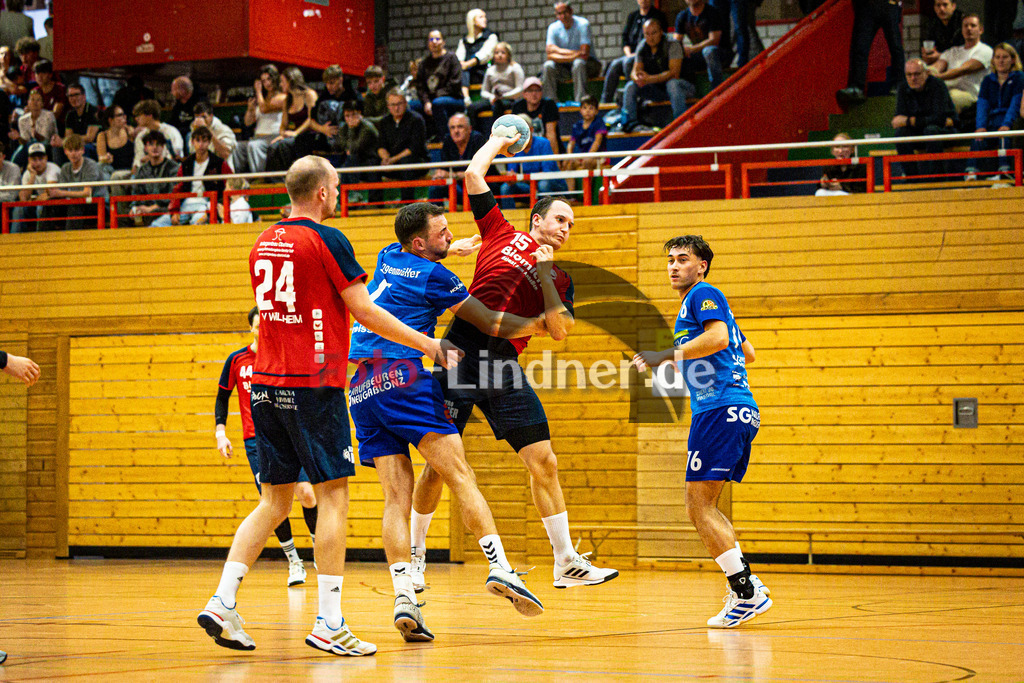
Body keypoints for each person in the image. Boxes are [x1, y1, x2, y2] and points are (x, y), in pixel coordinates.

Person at [196, 154, 462, 655]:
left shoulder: (262, 240)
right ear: (321, 192)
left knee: (273, 502)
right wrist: (429, 346)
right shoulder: (326, 239)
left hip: (266, 385)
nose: (338, 194)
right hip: (313, 386)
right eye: (336, 186)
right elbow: (366, 310)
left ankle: (223, 599)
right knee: (334, 497)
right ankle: (329, 621)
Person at [410, 130, 619, 593]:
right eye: (560, 219)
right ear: (537, 218)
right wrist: (496, 141)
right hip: (460, 351)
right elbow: (472, 174)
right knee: (438, 466)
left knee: (544, 460)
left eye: (571, 225)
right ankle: (415, 560)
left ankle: (565, 562)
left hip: (503, 364)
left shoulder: (560, 276)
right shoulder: (500, 231)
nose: (566, 228)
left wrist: (544, 277)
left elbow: (560, 330)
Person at [350, 202, 550, 639]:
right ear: (420, 243)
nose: (450, 235)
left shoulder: (388, 254)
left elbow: (418, 260)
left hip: (362, 384)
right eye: (442, 232)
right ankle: (500, 567)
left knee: (394, 498)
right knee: (460, 475)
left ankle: (404, 596)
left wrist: (451, 248)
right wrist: (543, 323)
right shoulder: (437, 278)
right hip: (405, 374)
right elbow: (492, 323)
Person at [632, 235, 771, 629]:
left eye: (683, 260)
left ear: (702, 266)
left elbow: (720, 339)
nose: (674, 266)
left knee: (698, 507)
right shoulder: (704, 304)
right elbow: (748, 352)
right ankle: (746, 585)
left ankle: (746, 592)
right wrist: (696, 365)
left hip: (720, 410)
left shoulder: (702, 294)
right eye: (670, 260)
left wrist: (668, 356)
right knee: (706, 505)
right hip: (737, 409)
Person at [215, 306, 319, 587]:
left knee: (307, 494)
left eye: (267, 325)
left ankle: (318, 551)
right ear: (252, 328)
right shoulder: (237, 360)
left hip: (288, 435)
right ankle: (294, 562)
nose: (263, 330)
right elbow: (223, 397)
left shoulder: (281, 356)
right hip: (255, 440)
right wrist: (221, 432)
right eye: (258, 325)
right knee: (272, 502)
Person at [621, 17, 693, 133]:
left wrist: (649, 79)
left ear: (661, 32)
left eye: (654, 33)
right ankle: (631, 124)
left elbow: (674, 73)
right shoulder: (642, 46)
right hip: (657, 89)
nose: (650, 37)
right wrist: (638, 78)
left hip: (683, 87)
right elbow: (634, 71)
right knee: (630, 86)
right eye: (647, 34)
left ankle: (681, 124)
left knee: (672, 84)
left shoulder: (672, 44)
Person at [966, 43, 1024, 179]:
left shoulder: (1019, 78)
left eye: (1005, 57)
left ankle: (1004, 172)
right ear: (993, 60)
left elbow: (1015, 104)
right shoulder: (987, 80)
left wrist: (1007, 124)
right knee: (978, 137)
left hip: (1010, 119)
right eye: (997, 57)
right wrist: (980, 126)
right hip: (992, 119)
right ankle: (972, 173)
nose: (1001, 60)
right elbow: (982, 105)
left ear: (1013, 60)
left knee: (1004, 134)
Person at [892, 58, 956, 180]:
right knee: (900, 134)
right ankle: (912, 178)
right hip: (920, 132)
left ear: (926, 73)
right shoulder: (903, 88)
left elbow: (939, 119)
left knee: (931, 130)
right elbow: (897, 120)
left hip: (943, 133)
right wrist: (920, 120)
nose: (913, 78)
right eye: (909, 75)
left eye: (917, 74)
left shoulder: (938, 85)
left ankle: (937, 178)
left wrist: (909, 121)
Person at [158, 125, 232, 226]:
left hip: (208, 203)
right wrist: (174, 211)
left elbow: (231, 184)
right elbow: (177, 188)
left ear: (209, 142)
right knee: (158, 224)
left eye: (204, 141)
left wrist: (220, 203)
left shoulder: (219, 163)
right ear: (192, 142)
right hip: (186, 203)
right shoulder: (186, 164)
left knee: (197, 222)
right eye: (198, 140)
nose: (201, 145)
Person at [836, 0, 905, 106]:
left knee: (895, 46)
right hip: (868, 5)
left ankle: (899, 85)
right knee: (860, 46)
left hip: (887, 4)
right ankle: (856, 87)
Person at [603, 0, 669, 105]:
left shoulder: (658, 16)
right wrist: (629, 54)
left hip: (647, 55)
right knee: (614, 65)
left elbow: (662, 39)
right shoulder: (632, 16)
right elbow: (625, 40)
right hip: (631, 54)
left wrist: (635, 55)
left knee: (628, 62)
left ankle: (636, 96)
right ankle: (605, 102)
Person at [497, 117, 568, 209]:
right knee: (505, 187)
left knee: (543, 184)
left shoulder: (544, 143)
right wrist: (511, 177)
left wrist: (521, 177)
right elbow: (513, 172)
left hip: (552, 184)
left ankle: (546, 215)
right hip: (528, 186)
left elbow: (547, 173)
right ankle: (509, 219)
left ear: (531, 129)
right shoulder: (514, 147)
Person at [931, 15, 994, 114]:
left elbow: (962, 70)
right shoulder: (953, 51)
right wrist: (925, 71)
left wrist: (937, 77)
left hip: (972, 94)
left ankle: (947, 126)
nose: (969, 28)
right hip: (948, 90)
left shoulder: (985, 50)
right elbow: (937, 66)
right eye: (966, 26)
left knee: (950, 97)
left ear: (981, 30)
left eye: (973, 26)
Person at [376, 88, 429, 205]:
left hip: (416, 161)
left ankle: (408, 205)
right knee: (372, 164)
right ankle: (376, 205)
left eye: (399, 104)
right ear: (388, 106)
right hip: (392, 163)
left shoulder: (416, 120)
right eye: (393, 105)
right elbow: (381, 145)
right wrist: (385, 158)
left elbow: (414, 148)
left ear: (405, 103)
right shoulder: (384, 122)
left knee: (407, 164)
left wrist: (392, 160)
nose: (396, 108)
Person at [543, 2, 601, 105]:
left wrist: (558, 52)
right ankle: (551, 103)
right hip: (565, 67)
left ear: (571, 12)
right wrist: (575, 54)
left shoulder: (583, 24)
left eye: (565, 12)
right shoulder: (553, 27)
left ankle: (581, 102)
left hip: (589, 65)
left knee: (578, 63)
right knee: (548, 65)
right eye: (559, 13)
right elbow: (549, 55)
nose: (563, 16)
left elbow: (584, 54)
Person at [411, 30, 464, 141]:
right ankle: (420, 141)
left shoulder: (451, 58)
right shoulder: (424, 62)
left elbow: (455, 84)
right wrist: (426, 102)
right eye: (431, 39)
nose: (434, 42)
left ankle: (445, 139)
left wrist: (432, 100)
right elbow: (420, 87)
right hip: (431, 101)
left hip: (453, 99)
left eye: (437, 39)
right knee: (411, 106)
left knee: (438, 104)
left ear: (443, 42)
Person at [232, 64, 286, 174]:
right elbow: (248, 123)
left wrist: (258, 91)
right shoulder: (262, 99)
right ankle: (239, 178)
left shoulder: (283, 97)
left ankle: (259, 177)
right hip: (258, 137)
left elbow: (264, 109)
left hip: (273, 137)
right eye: (264, 81)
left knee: (254, 146)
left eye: (269, 79)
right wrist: (251, 110)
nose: (267, 83)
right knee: (238, 147)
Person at [428, 113, 489, 206]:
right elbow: (443, 169)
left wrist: (452, 174)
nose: (456, 131)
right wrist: (440, 174)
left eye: (460, 127)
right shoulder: (448, 140)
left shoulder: (477, 139)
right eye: (452, 128)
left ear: (469, 129)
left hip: (480, 189)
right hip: (459, 188)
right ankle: (434, 218)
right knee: (435, 187)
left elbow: (476, 172)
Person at [265, 67, 318, 173]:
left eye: (283, 82)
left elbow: (311, 119)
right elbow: (283, 124)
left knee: (283, 146)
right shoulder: (287, 100)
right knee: (272, 147)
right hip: (293, 136)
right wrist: (282, 134)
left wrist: (295, 133)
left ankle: (291, 175)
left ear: (291, 81)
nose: (280, 85)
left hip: (309, 135)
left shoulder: (309, 95)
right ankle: (272, 180)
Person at [51, 133, 108, 230]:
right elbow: (60, 194)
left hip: (98, 205)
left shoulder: (90, 166)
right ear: (65, 151)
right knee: (50, 205)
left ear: (83, 150)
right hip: (77, 204)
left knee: (75, 206)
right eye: (70, 150)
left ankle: (71, 240)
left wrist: (60, 192)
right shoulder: (65, 168)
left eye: (77, 150)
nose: (73, 154)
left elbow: (86, 193)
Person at [468, 41, 525, 133]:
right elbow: (483, 91)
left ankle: (497, 134)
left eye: (503, 52)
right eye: (497, 52)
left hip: (510, 99)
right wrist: (491, 96)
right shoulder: (490, 70)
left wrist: (504, 96)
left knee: (497, 105)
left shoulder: (515, 67)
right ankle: (476, 134)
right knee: (472, 107)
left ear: (508, 55)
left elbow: (520, 88)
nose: (499, 55)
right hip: (494, 98)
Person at [674, 0, 731, 89]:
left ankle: (717, 90)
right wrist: (682, 51)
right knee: (676, 55)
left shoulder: (713, 12)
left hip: (720, 54)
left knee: (708, 51)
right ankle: (690, 91)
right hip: (698, 56)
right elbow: (676, 43)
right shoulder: (682, 16)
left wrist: (691, 49)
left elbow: (714, 40)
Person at [128, 130, 180, 227]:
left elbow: (173, 194)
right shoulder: (142, 170)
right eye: (151, 144)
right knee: (125, 215)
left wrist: (152, 208)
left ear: (163, 146)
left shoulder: (173, 167)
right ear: (145, 148)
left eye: (158, 144)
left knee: (155, 213)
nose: (155, 147)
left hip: (165, 208)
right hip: (146, 208)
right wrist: (135, 207)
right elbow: (137, 192)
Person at [295, 64, 347, 159]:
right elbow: (311, 121)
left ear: (340, 79)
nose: (328, 87)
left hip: (344, 137)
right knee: (300, 140)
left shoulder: (351, 95)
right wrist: (322, 129)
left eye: (331, 83)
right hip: (325, 136)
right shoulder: (324, 96)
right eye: (326, 83)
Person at [336, 99, 380, 205]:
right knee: (346, 165)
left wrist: (351, 129)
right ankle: (344, 202)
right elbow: (339, 145)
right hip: (356, 160)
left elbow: (355, 147)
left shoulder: (367, 128)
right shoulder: (343, 128)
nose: (350, 119)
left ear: (360, 114)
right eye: (347, 116)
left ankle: (352, 196)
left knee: (350, 161)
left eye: (353, 115)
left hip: (371, 160)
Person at [564, 95, 606, 193]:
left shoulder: (599, 122)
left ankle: (587, 194)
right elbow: (571, 143)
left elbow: (597, 141)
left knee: (588, 162)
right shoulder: (577, 126)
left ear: (596, 111)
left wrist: (589, 156)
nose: (587, 111)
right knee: (568, 164)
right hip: (583, 156)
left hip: (598, 157)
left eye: (591, 108)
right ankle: (572, 195)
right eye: (585, 108)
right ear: (580, 110)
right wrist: (570, 156)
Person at [13, 143, 60, 233]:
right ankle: (14, 240)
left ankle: (40, 237)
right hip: (39, 204)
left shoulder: (52, 168)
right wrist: (32, 176)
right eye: (34, 159)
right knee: (19, 209)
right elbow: (23, 199)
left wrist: (35, 200)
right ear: (29, 160)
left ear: (46, 158)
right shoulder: (29, 173)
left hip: (56, 206)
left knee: (41, 206)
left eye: (41, 159)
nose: (38, 163)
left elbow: (50, 192)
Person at [457, 9, 498, 105]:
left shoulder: (491, 36)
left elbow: (485, 54)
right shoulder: (464, 40)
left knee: (465, 68)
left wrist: (467, 64)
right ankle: (466, 97)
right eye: (481, 17)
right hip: (468, 74)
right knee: (461, 70)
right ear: (472, 20)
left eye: (485, 17)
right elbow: (459, 57)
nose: (485, 20)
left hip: (483, 72)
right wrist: (462, 64)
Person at [511, 77, 562, 154]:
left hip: (546, 149)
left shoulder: (549, 105)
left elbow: (551, 134)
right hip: (526, 151)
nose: (534, 94)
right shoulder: (517, 107)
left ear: (541, 93)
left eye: (537, 90)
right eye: (530, 91)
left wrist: (554, 159)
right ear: (524, 94)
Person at [131, 99, 184, 171]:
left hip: (169, 171)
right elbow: (138, 160)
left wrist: (152, 158)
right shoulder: (140, 136)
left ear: (149, 115)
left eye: (139, 115)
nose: (137, 119)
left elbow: (177, 157)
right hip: (147, 172)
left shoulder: (170, 132)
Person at [53, 83, 100, 162]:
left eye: (76, 95)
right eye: (71, 96)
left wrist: (66, 140)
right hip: (76, 145)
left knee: (84, 148)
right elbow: (68, 136)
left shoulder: (93, 111)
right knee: (57, 148)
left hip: (93, 146)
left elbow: (90, 138)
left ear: (84, 96)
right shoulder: (70, 115)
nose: (74, 98)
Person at [12, 90, 57, 167]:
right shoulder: (22, 119)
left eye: (38, 100)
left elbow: (44, 139)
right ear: (28, 103)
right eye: (32, 99)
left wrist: (36, 135)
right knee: (23, 149)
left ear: (42, 104)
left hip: (48, 144)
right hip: (29, 145)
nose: (35, 102)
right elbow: (25, 141)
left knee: (32, 145)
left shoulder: (49, 116)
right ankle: (14, 168)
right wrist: (19, 138)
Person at [921, 0, 964, 66]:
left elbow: (964, 51)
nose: (941, 9)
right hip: (941, 63)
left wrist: (940, 55)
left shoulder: (963, 22)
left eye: (945, 5)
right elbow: (928, 44)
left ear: (953, 6)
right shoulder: (933, 23)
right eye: (938, 5)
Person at [97, 106, 134, 173]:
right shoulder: (102, 136)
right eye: (120, 115)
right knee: (101, 166)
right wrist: (106, 158)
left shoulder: (129, 131)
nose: (124, 117)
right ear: (111, 120)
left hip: (129, 171)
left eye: (124, 114)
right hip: (112, 172)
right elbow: (101, 158)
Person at [169, 76, 202, 143]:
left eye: (174, 90)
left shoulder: (200, 103)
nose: (172, 93)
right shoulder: (178, 104)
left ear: (182, 90)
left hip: (193, 133)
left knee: (189, 136)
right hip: (179, 133)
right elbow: (173, 121)